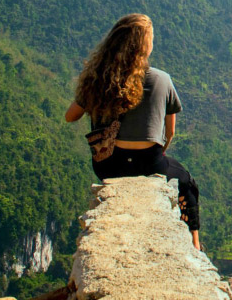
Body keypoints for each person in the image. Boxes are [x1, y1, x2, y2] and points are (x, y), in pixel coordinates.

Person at [65, 13, 202, 251]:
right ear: (146, 46)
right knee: (187, 183)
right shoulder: (162, 80)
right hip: (150, 166)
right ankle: (195, 245)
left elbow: (70, 116)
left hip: (108, 166)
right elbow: (169, 134)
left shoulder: (100, 80)